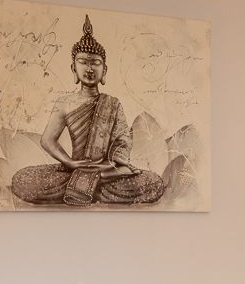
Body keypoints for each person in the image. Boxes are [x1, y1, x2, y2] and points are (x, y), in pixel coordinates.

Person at [10, 16, 168, 206]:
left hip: (107, 170)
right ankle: (88, 185)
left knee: (152, 183)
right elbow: (47, 140)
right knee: (23, 179)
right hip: (74, 170)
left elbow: (123, 140)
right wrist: (69, 163)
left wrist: (108, 166)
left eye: (96, 62)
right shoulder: (65, 103)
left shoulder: (113, 103)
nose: (90, 67)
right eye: (83, 61)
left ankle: (88, 184)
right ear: (73, 68)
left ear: (105, 70)